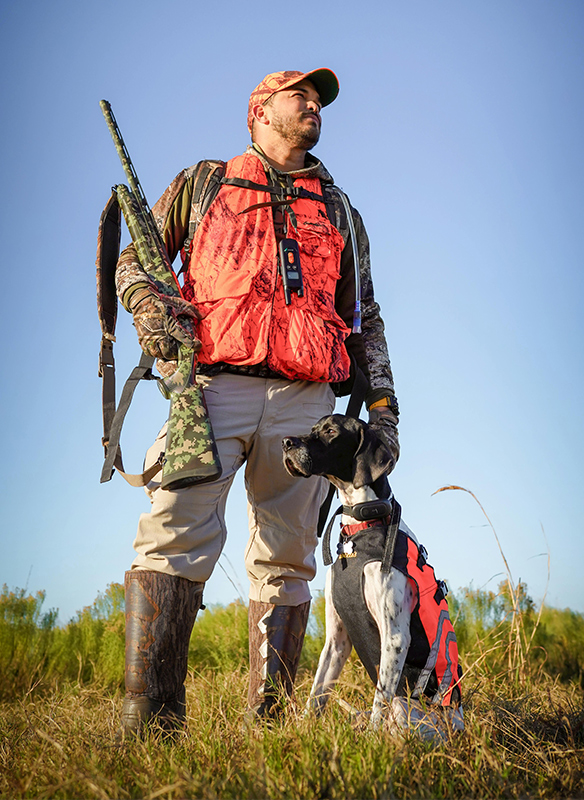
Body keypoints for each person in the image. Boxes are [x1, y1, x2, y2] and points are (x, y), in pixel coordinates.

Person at [114, 68, 399, 734]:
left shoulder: (340, 211)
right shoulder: (203, 182)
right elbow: (136, 259)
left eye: (318, 99)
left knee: (289, 557)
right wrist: (151, 309)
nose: (312, 105)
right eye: (298, 94)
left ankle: (268, 723)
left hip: (308, 402)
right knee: (172, 537)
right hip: (214, 390)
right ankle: (150, 721)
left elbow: (367, 315)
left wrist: (383, 409)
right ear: (259, 110)